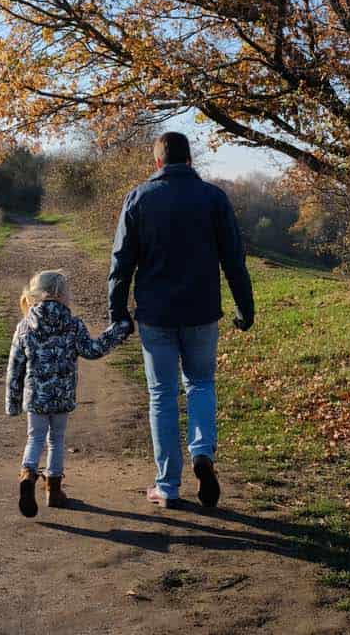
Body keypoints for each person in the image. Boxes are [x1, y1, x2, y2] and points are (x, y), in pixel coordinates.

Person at [109, 131, 255, 508]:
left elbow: (121, 262)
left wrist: (118, 313)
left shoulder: (139, 198)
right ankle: (203, 452)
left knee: (162, 396)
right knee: (202, 384)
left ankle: (168, 486)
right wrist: (245, 307)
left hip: (156, 315)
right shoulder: (214, 198)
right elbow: (234, 260)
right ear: (190, 160)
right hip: (202, 311)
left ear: (158, 163)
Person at [6, 269, 132, 518]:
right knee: (57, 440)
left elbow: (15, 366)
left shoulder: (25, 326)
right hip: (62, 396)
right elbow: (94, 349)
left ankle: (28, 474)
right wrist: (119, 330)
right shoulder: (73, 325)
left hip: (36, 397)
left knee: (35, 438)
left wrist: (13, 402)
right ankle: (53, 490)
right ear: (62, 295)